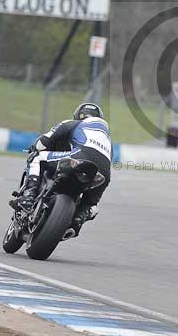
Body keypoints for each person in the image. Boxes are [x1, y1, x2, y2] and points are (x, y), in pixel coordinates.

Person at [10, 102, 112, 238]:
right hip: (104, 173)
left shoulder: (74, 124)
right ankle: (78, 219)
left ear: (79, 115)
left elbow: (43, 142)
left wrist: (34, 147)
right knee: (90, 203)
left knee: (37, 157)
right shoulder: (107, 139)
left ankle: (28, 197)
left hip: (77, 158)